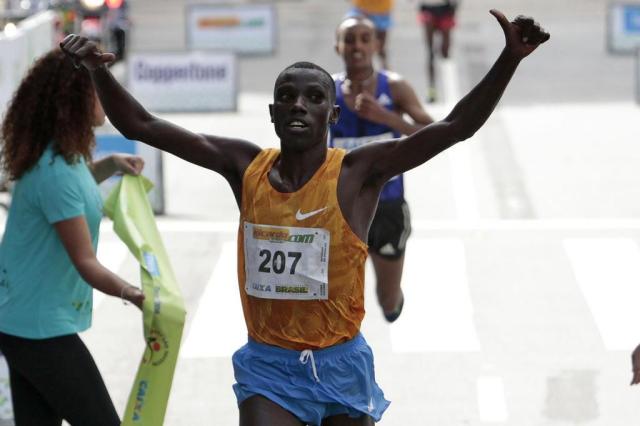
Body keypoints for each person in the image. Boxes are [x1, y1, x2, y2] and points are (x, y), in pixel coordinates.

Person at [61, 9, 549, 425]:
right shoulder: (243, 166)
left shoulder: (360, 172)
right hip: (268, 368)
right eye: (288, 96)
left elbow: (454, 126)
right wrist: (96, 69)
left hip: (341, 366)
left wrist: (509, 58)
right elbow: (141, 125)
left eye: (314, 97)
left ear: (332, 116)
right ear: (273, 114)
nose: (299, 104)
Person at [0, 49, 145, 426]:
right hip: (38, 327)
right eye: (98, 89)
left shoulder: (66, 156)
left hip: (23, 321)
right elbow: (85, 262)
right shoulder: (56, 171)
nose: (106, 99)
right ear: (75, 99)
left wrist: (110, 165)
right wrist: (134, 294)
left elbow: (74, 194)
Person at [330, 15, 434, 322]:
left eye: (364, 38)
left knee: (386, 301)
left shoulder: (395, 87)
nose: (357, 46)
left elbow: (436, 135)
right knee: (339, 300)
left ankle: (392, 302)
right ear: (337, 46)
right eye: (349, 39)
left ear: (377, 44)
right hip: (341, 207)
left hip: (387, 206)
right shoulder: (326, 91)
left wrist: (388, 119)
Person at [418, 0, 459, 102]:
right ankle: (432, 90)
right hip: (428, 7)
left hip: (445, 8)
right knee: (431, 52)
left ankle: (449, 87)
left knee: (445, 51)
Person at [347, 0, 394, 69]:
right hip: (361, 10)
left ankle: (384, 67)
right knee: (356, 42)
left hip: (381, 11)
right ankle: (356, 66)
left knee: (381, 45)